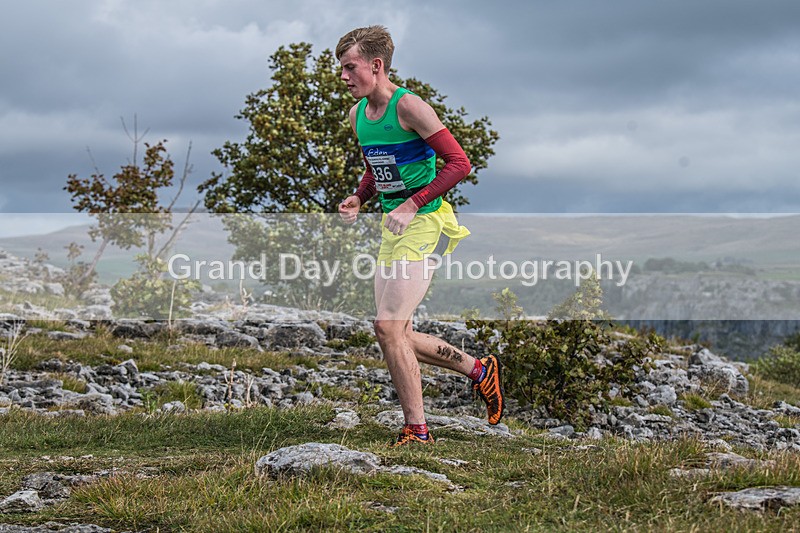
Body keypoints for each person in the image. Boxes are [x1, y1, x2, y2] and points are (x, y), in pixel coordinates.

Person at [335, 26, 504, 446]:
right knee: (397, 332)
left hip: (427, 221)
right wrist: (359, 197)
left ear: (376, 65)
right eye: (341, 68)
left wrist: (412, 204)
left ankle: (418, 430)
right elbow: (378, 167)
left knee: (386, 326)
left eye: (350, 67)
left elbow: (459, 163)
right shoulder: (358, 115)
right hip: (393, 227)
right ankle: (479, 370)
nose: (343, 76)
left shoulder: (409, 106)